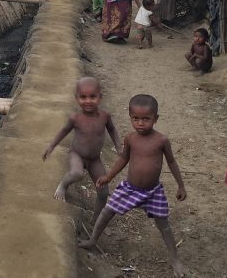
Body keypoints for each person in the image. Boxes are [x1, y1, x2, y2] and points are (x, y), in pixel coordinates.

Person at [78, 94, 186, 277]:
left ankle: (175, 259)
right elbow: (123, 159)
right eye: (136, 119)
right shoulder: (130, 139)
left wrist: (181, 186)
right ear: (130, 117)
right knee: (107, 211)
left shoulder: (161, 140)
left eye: (146, 119)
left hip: (153, 192)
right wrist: (108, 177)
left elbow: (172, 162)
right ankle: (92, 240)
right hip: (130, 188)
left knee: (164, 225)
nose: (141, 123)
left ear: (156, 119)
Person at [43, 77, 121, 223]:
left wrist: (118, 146)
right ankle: (63, 185)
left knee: (103, 192)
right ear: (76, 98)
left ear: (100, 96)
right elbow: (64, 131)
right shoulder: (76, 118)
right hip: (76, 154)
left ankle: (95, 221)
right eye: (83, 97)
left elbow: (112, 130)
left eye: (93, 96)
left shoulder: (105, 116)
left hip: (94, 159)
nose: (88, 101)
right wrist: (52, 146)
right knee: (77, 173)